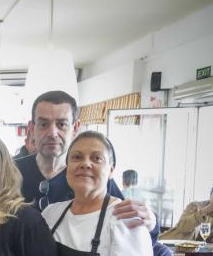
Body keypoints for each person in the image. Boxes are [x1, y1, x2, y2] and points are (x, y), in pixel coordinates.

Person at [15, 91, 156, 237]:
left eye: (62, 124)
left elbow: (134, 224)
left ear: (75, 128)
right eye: (44, 124)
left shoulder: (94, 177)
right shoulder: (10, 171)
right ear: (31, 128)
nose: (52, 133)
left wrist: (150, 223)